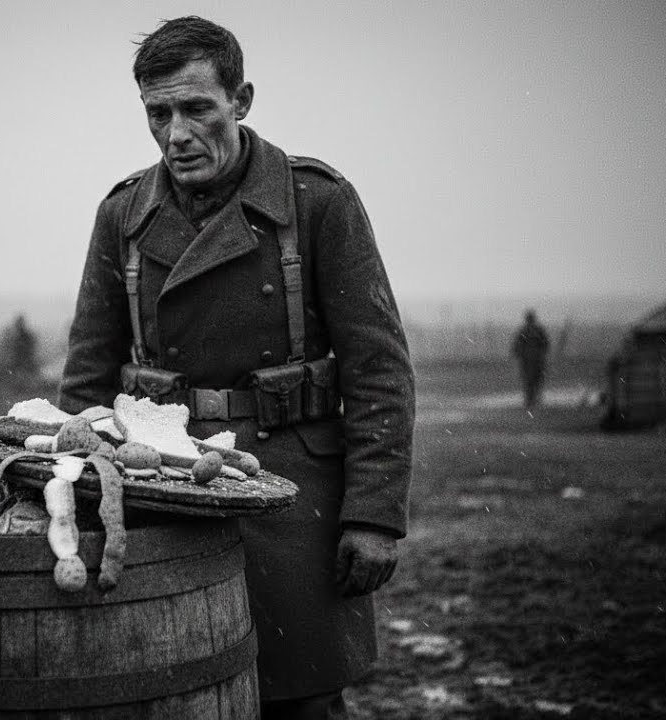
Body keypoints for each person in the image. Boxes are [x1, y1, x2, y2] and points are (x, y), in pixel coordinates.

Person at [57, 17, 415, 718]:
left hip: (290, 494)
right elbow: (86, 380)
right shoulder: (124, 214)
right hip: (165, 495)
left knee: (299, 701)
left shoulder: (317, 204)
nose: (176, 134)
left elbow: (379, 371)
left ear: (241, 100)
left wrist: (374, 516)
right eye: (158, 114)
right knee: (175, 694)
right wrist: (80, 504)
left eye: (197, 109)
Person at [511, 308, 550, 409]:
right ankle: (532, 400)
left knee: (530, 380)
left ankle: (530, 400)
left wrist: (518, 353)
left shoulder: (525, 331)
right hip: (533, 359)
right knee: (533, 380)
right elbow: (545, 344)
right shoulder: (536, 330)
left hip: (530, 360)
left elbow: (516, 346)